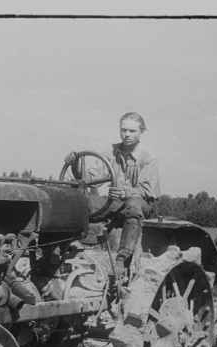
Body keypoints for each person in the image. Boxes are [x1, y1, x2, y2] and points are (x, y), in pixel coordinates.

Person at [64, 112, 160, 283]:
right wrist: (75, 165)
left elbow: (148, 190)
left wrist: (125, 192)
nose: (127, 135)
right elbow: (90, 180)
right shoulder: (110, 151)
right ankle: (64, 249)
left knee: (133, 205)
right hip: (113, 203)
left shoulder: (148, 157)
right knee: (77, 203)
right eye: (123, 130)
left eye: (132, 131)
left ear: (141, 132)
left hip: (140, 204)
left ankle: (121, 260)